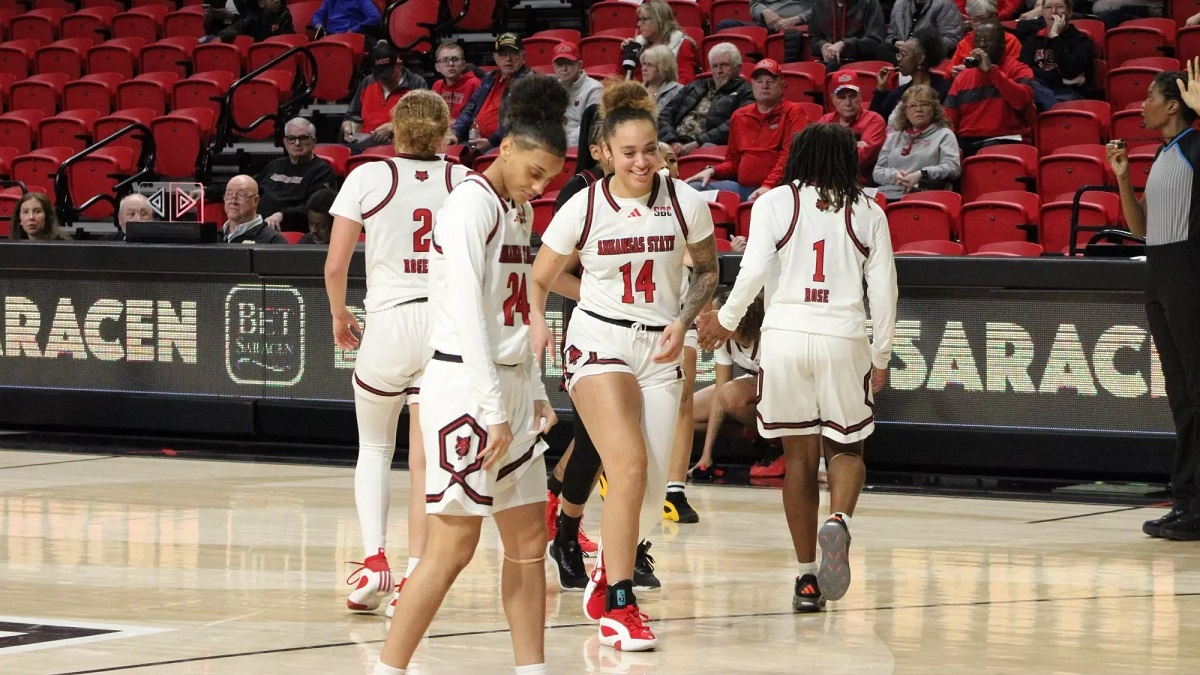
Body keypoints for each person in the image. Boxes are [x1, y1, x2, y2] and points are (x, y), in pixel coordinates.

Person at [372, 75, 569, 675]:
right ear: (505, 147)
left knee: (530, 545)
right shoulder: (468, 205)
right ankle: (388, 668)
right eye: (534, 171)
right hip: (464, 387)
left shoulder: (518, 209)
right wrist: (490, 408)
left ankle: (531, 670)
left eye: (549, 179)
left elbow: (516, 312)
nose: (540, 185)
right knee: (452, 547)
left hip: (506, 381)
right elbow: (464, 312)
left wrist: (533, 391)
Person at [530, 80, 719, 651]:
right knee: (629, 463)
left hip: (660, 345)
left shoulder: (686, 201)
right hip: (599, 343)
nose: (642, 161)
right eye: (629, 152)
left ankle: (601, 574)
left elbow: (707, 273)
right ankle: (619, 602)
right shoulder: (583, 207)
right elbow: (541, 277)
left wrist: (683, 321)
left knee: (647, 484)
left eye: (651, 150)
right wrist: (578, 304)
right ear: (604, 154)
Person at [697, 122, 897, 613]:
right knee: (847, 449)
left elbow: (753, 270)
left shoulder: (771, 203)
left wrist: (725, 321)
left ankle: (807, 577)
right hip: (841, 337)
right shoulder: (869, 210)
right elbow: (886, 289)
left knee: (800, 460)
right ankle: (840, 523)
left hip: (783, 338)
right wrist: (882, 355)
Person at [327, 90, 471, 621]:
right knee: (424, 459)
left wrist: (340, 314)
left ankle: (374, 562)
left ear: (394, 128)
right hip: (442, 323)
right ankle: (415, 571)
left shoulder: (366, 176)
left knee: (373, 447)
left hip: (389, 321)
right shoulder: (463, 180)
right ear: (443, 131)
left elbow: (336, 263)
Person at [1107, 60, 1200, 541]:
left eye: (1148, 96)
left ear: (1172, 103)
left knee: (1196, 395)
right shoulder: (1165, 154)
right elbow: (1141, 230)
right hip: (1160, 273)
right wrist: (1122, 177)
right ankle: (1186, 501)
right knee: (1182, 398)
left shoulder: (1193, 147)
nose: (1140, 104)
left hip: (1187, 273)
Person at [684, 59, 810, 202]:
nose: (765, 86)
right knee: (693, 189)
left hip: (779, 189)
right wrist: (713, 170)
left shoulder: (793, 112)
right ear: (752, 85)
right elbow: (733, 162)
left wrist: (768, 186)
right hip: (742, 188)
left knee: (757, 202)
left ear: (781, 85)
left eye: (771, 80)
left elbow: (790, 157)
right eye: (759, 81)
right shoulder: (740, 116)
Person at [692, 292, 765, 480]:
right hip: (754, 393)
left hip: (780, 396)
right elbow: (719, 389)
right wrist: (706, 456)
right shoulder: (725, 341)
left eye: (715, 315)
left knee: (731, 394)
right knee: (688, 412)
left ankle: (777, 444)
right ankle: (751, 431)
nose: (707, 319)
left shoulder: (766, 336)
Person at [944, 21, 1035, 157]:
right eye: (977, 40)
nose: (982, 45)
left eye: (987, 40)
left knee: (985, 155)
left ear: (1002, 45)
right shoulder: (963, 76)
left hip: (1006, 138)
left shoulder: (1019, 70)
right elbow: (948, 115)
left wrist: (992, 72)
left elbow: (1021, 101)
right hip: (967, 141)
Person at [658, 42, 754, 156]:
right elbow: (665, 114)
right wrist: (672, 140)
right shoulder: (694, 86)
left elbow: (734, 125)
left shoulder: (747, 92)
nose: (719, 70)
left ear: (738, 68)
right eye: (715, 66)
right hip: (675, 142)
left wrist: (698, 142)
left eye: (724, 65)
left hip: (707, 145)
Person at [872, 85, 960, 201]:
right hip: (889, 193)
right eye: (913, 105)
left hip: (926, 195)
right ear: (905, 111)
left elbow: (953, 167)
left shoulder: (944, 134)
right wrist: (894, 175)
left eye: (924, 104)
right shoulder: (893, 137)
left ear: (933, 108)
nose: (918, 109)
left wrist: (922, 174)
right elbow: (877, 172)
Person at [448, 33, 532, 155]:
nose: (508, 59)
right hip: (475, 140)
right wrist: (455, 133)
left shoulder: (530, 82)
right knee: (447, 154)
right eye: (503, 54)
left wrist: (491, 141)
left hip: (507, 144)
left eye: (513, 54)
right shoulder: (489, 78)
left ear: (523, 56)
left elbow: (519, 121)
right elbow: (469, 110)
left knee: (486, 159)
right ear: (495, 58)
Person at [343, 43, 429, 154]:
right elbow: (352, 114)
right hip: (364, 147)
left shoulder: (416, 83)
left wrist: (394, 127)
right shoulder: (367, 82)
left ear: (399, 65)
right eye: (378, 75)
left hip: (401, 149)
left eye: (387, 76)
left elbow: (425, 121)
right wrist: (348, 126)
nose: (382, 80)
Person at [258, 118, 337, 231]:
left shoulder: (322, 171)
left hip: (293, 231)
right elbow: (253, 188)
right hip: (261, 227)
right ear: (285, 142)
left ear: (314, 141)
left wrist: (283, 215)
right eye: (291, 138)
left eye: (303, 138)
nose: (297, 143)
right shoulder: (275, 165)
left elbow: (316, 208)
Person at [1015, 0, 1095, 105]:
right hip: (1039, 89)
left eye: (1059, 7)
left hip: (1067, 93)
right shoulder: (1033, 39)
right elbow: (1025, 69)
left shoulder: (1081, 40)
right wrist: (1061, 80)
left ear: (1069, 12)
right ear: (1043, 12)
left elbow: (1070, 71)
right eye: (1048, 7)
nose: (1054, 12)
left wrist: (1055, 37)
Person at [818, 74, 888, 184]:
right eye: (842, 97)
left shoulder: (874, 120)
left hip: (862, 186)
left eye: (853, 96)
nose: (848, 103)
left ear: (860, 96)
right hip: (827, 182)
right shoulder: (825, 120)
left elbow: (861, 159)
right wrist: (854, 145)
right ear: (833, 99)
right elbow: (815, 155)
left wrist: (831, 149)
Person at [872, 28, 951, 124]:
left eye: (903, 54)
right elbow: (875, 121)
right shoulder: (900, 92)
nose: (899, 59)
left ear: (920, 58)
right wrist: (880, 89)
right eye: (899, 54)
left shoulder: (943, 89)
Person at [623, 0, 699, 85]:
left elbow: (685, 82)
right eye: (639, 19)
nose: (639, 24)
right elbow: (620, 78)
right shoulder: (639, 44)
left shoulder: (682, 44)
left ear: (659, 20)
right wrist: (624, 54)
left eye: (644, 19)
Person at [715, 0, 809, 64]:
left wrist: (798, 19)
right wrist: (765, 12)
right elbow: (754, 4)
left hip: (799, 26)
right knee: (725, 25)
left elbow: (821, 8)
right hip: (767, 25)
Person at [808, 0, 886, 72]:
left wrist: (845, 44)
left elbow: (876, 40)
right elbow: (813, 38)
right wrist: (822, 46)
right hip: (828, 64)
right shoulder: (820, 3)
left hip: (861, 64)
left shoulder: (870, 3)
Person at [553, 42, 603, 149]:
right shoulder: (552, 88)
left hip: (582, 148)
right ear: (553, 67)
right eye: (559, 64)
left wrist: (561, 143)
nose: (563, 69)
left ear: (580, 65)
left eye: (568, 63)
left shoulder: (594, 89)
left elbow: (591, 128)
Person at [950, 0, 1023, 71]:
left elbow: (1013, 73)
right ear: (969, 19)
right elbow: (950, 71)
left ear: (995, 16)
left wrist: (985, 72)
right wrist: (954, 73)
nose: (980, 25)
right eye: (975, 20)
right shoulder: (965, 42)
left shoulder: (1011, 42)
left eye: (984, 20)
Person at [879, 0, 961, 62]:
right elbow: (890, 35)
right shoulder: (899, 4)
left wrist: (921, 47)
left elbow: (952, 38)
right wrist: (895, 42)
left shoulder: (945, 5)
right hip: (901, 52)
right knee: (881, 49)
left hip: (927, 55)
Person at [221, 175, 287, 243]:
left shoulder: (273, 241)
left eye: (241, 195)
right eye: (229, 194)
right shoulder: (215, 237)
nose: (233, 201)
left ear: (255, 200)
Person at [432, 42, 481, 121]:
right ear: (437, 67)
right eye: (445, 60)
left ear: (463, 65)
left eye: (455, 59)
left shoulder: (475, 84)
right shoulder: (437, 86)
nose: (451, 64)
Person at [213, 0, 294, 43]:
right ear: (261, 3)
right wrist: (219, 36)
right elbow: (238, 27)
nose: (277, 1)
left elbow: (285, 41)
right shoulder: (255, 17)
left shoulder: (284, 15)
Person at [641, 45, 684, 116]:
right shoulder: (636, 90)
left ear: (663, 68)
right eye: (644, 64)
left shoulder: (679, 92)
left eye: (649, 65)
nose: (644, 68)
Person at [313, 0, 381, 38]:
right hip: (331, 36)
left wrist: (355, 29)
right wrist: (319, 26)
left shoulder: (362, 1)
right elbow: (318, 15)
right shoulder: (330, 1)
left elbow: (375, 17)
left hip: (352, 36)